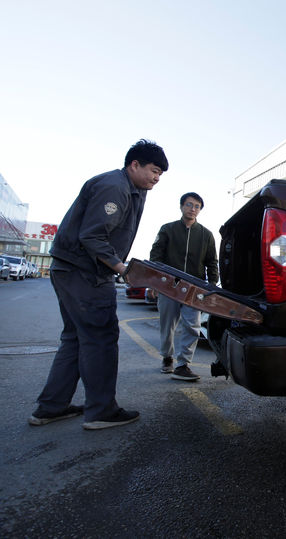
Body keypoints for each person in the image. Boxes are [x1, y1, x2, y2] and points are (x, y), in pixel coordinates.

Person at [29, 139, 168, 430]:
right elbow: (92, 237)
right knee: (101, 339)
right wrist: (122, 268)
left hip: (71, 270)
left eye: (160, 174)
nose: (157, 178)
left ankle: (50, 408)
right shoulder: (114, 187)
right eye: (154, 171)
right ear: (134, 165)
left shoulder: (133, 189)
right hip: (85, 273)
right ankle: (102, 411)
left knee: (76, 338)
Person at [150, 192, 218, 381]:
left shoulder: (206, 235)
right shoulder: (167, 229)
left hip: (193, 289)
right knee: (167, 324)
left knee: (192, 326)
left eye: (197, 206)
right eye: (189, 205)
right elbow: (156, 257)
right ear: (181, 206)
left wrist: (211, 286)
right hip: (168, 286)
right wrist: (154, 283)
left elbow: (212, 262)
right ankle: (167, 357)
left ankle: (183, 364)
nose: (192, 209)